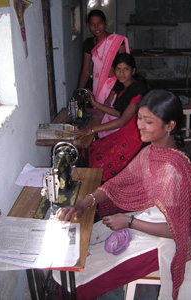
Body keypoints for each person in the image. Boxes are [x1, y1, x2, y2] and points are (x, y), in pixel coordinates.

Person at [54, 89, 191, 300]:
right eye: (139, 118)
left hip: (163, 244)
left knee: (80, 276)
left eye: (148, 121)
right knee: (81, 243)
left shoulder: (173, 172)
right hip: (146, 223)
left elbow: (177, 231)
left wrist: (130, 222)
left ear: (169, 126)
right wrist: (82, 204)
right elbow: (117, 184)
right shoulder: (152, 152)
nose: (139, 125)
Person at [76, 53, 148, 218]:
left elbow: (122, 120)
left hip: (135, 137)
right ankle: (96, 201)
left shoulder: (138, 90)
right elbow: (118, 112)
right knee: (93, 149)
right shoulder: (125, 87)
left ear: (133, 71)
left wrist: (93, 129)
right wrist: (96, 104)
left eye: (126, 69)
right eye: (118, 69)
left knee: (101, 162)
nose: (122, 73)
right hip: (125, 133)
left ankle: (105, 206)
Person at [78, 9, 130, 138]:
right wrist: (79, 92)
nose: (96, 27)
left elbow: (125, 69)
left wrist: (112, 94)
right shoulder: (88, 44)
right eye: (92, 24)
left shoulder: (117, 41)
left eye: (99, 23)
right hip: (98, 88)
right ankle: (103, 149)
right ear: (88, 25)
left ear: (105, 23)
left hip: (116, 87)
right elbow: (85, 71)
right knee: (99, 119)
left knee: (115, 121)